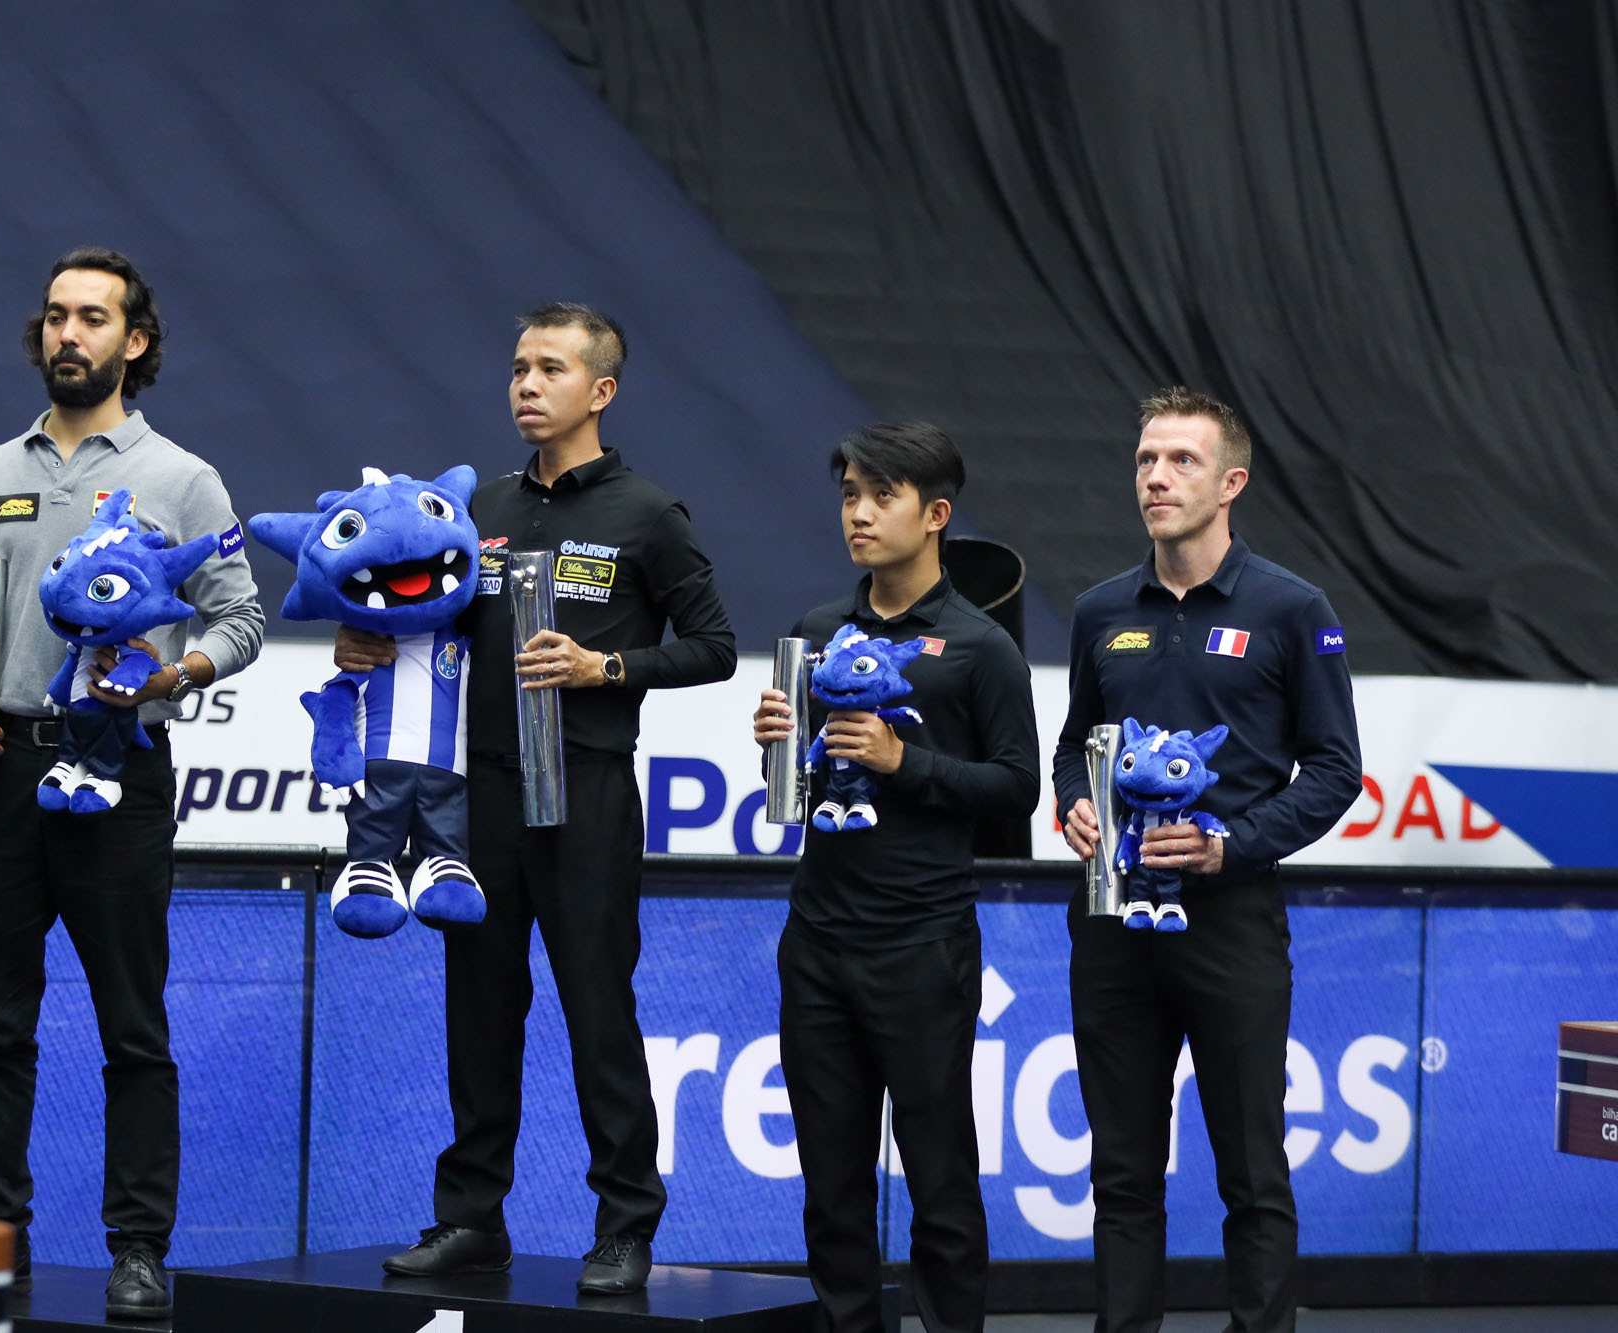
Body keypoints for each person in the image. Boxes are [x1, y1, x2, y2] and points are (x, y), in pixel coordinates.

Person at [338, 303, 736, 1295]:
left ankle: (624, 1225)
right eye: (517, 366)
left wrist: (605, 665)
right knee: (478, 1011)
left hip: (590, 791)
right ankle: (471, 1219)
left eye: (548, 368)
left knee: (598, 1010)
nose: (523, 384)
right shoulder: (476, 515)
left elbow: (716, 647)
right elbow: (430, 623)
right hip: (479, 796)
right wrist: (371, 644)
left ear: (598, 391)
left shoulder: (648, 514)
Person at [0, 247, 264, 1320]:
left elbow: (242, 615)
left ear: (134, 341)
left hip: (120, 771)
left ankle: (136, 1248)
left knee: (133, 1024)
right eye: (53, 316)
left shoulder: (181, 476)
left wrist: (177, 673)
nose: (67, 334)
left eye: (91, 318)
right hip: (0, 772)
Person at [1053, 387, 1361, 1333]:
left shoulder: (1292, 608)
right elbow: (1074, 743)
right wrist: (1071, 800)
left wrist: (1233, 844)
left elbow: (1338, 768)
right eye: (1146, 459)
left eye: (1181, 460)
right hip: (1114, 922)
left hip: (1231, 925)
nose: (1156, 477)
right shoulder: (1102, 608)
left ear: (1232, 481)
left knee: (1251, 1171)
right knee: (1121, 1173)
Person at [751, 422, 1039, 1333]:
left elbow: (1019, 788)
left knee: (940, 1177)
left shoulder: (981, 645)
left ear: (937, 514)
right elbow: (799, 790)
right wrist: (779, 744)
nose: (860, 514)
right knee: (830, 1185)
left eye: (882, 496)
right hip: (819, 938)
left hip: (923, 943)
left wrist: (902, 759)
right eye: (849, 495)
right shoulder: (816, 632)